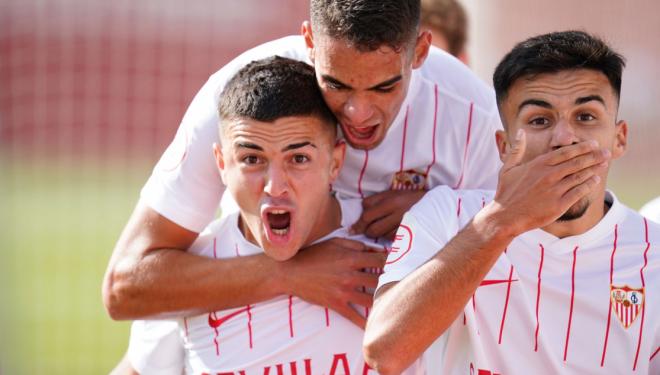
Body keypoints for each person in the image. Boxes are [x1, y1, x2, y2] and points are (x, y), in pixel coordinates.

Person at [103, 0, 501, 328]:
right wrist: (289, 274)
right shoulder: (237, 102)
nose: (358, 113)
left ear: (420, 51)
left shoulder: (473, 114)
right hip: (238, 319)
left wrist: (443, 211)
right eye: (337, 83)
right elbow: (125, 286)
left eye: (384, 87)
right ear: (309, 41)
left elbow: (535, 253)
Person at [363, 30, 660, 374]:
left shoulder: (654, 254)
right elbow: (384, 352)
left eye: (586, 117)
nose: (564, 139)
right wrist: (502, 220)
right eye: (539, 120)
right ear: (504, 147)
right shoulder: (445, 215)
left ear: (619, 138)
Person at [131, 56, 423, 374]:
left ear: (335, 163)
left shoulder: (402, 248)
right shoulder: (183, 285)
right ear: (221, 164)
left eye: (298, 158)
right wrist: (287, 276)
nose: (275, 186)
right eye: (252, 159)